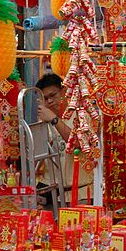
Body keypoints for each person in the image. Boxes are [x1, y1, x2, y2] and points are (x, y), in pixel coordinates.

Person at [36, 73, 93, 204]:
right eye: (45, 98)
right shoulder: (43, 122)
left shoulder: (81, 115)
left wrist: (54, 120)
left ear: (64, 92)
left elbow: (78, 143)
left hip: (80, 195)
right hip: (52, 197)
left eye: (53, 96)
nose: (49, 101)